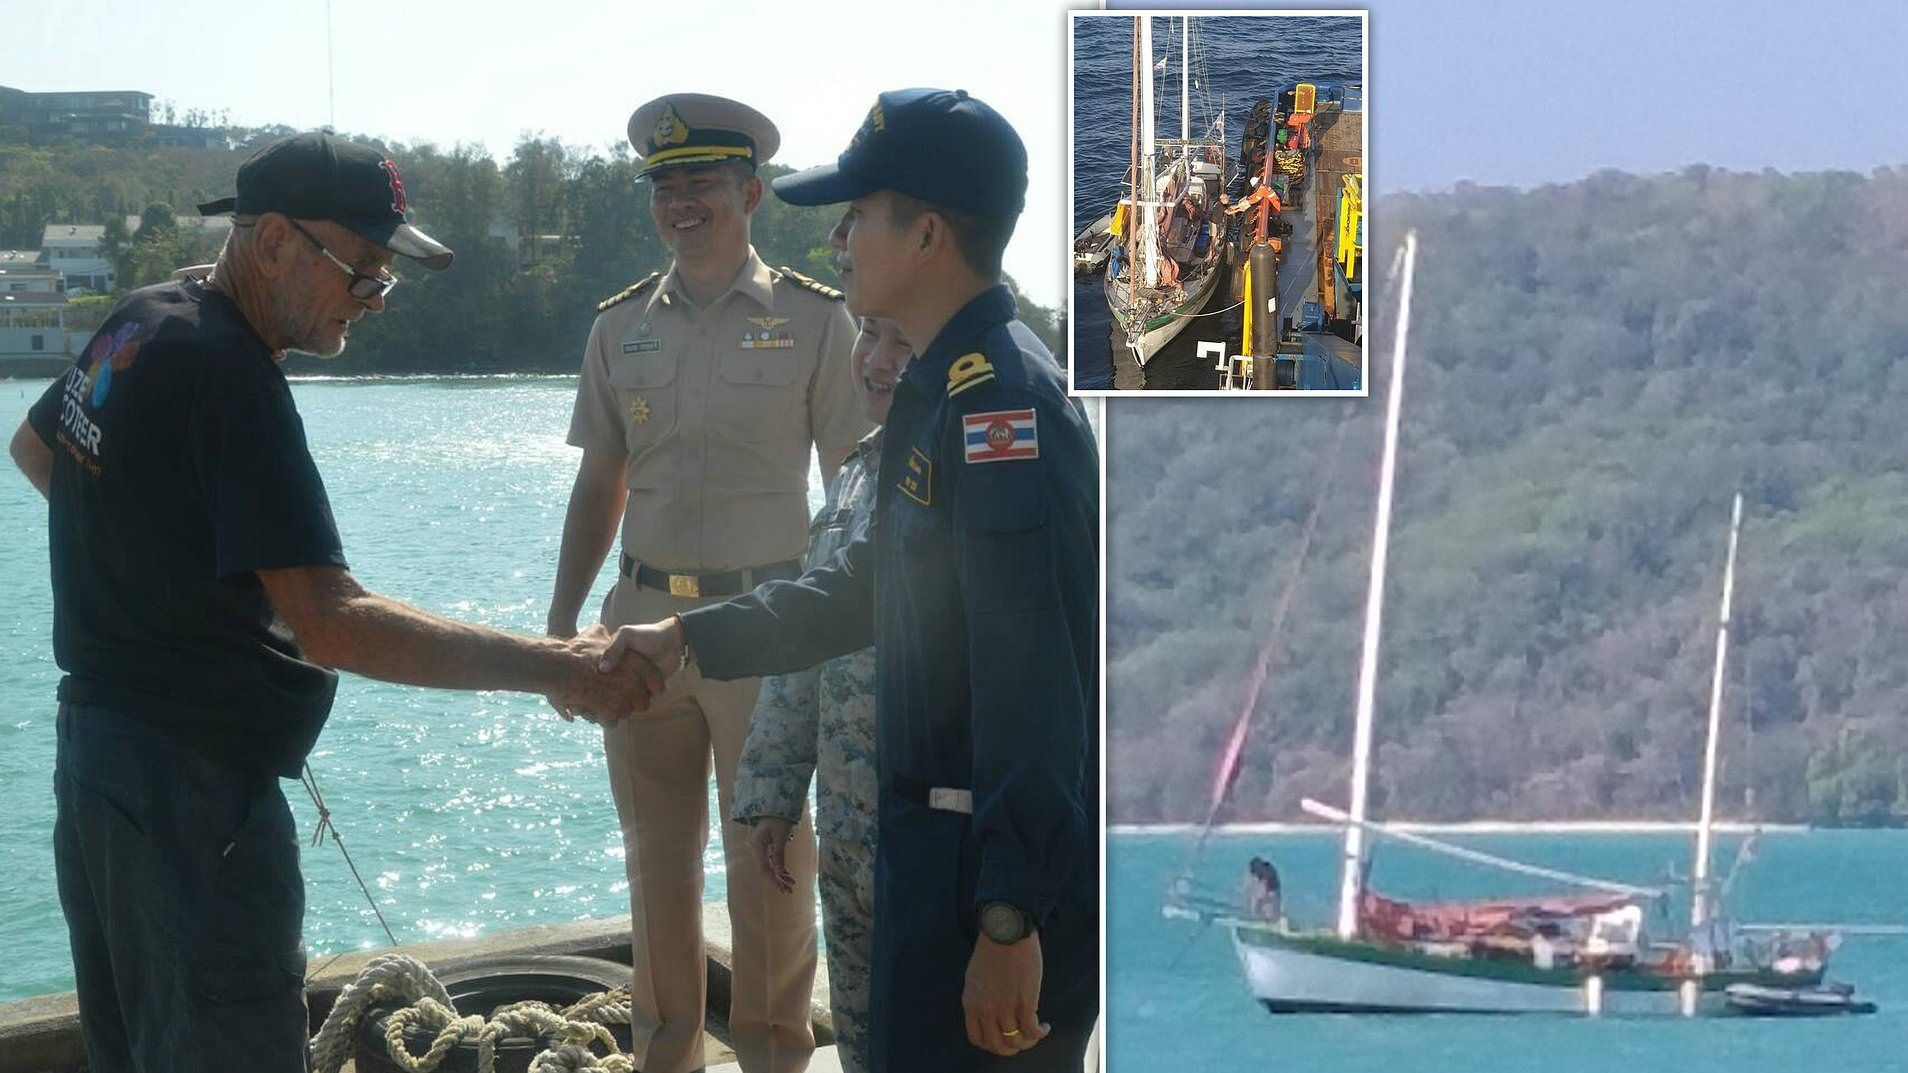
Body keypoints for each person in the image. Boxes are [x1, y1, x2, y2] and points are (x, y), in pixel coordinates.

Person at [6, 131, 659, 1073]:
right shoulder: (234, 378)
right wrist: (557, 665)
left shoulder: (144, 319)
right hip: (193, 798)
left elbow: (40, 455)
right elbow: (333, 620)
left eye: (387, 277)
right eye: (363, 270)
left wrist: (167, 575)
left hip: (99, 768)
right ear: (273, 243)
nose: (376, 299)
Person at [601, 87, 1100, 1073]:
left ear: (926, 233)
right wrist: (688, 638)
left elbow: (1033, 680)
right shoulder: (941, 389)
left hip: (981, 889)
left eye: (860, 215)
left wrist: (1010, 920)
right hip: (930, 864)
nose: (840, 239)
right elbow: (859, 589)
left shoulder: (1003, 407)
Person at [547, 93, 871, 1073]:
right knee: (655, 869)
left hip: (760, 631)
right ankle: (667, 1058)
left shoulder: (819, 323)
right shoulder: (617, 331)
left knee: (771, 870)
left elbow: (853, 492)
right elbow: (599, 483)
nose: (681, 201)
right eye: (665, 185)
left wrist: (846, 641)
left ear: (751, 193)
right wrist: (561, 627)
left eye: (701, 183)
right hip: (637, 624)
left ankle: (776, 1055)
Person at [732, 316, 912, 1073]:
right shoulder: (855, 474)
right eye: (869, 334)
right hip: (848, 842)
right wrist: (774, 789)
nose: (876, 359)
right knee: (865, 1050)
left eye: (904, 341)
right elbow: (808, 633)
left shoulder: (979, 470)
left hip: (932, 853)